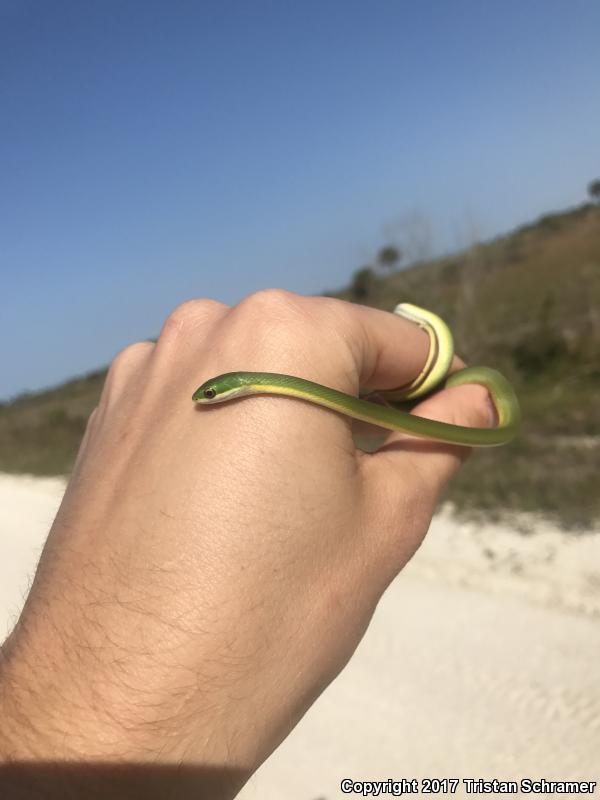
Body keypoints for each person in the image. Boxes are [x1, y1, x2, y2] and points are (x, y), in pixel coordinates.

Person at [0, 290, 495, 799]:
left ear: (241, 387)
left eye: (212, 395)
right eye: (210, 396)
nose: (206, 400)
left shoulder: (264, 384)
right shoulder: (245, 385)